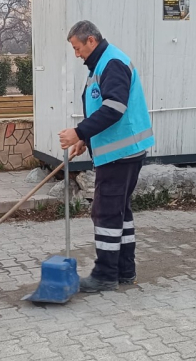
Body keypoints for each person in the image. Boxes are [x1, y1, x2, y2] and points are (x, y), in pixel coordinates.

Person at [58, 21, 155, 293]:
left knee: (106, 213)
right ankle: (125, 270)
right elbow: (101, 108)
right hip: (121, 151)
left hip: (120, 154)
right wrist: (86, 140)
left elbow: (114, 108)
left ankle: (105, 274)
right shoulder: (102, 64)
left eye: (77, 48)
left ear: (91, 40)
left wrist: (77, 132)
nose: (77, 54)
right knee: (120, 212)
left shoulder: (112, 63)